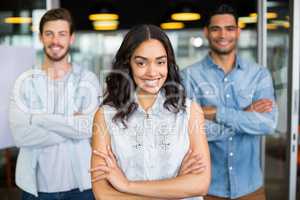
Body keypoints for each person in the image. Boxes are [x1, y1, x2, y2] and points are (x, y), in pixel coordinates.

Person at [91, 24, 211, 200]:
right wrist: (177, 187)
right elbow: (103, 194)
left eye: (160, 62)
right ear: (128, 63)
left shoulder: (190, 112)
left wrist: (126, 185)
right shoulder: (105, 116)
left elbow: (200, 184)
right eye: (141, 63)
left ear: (168, 64)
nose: (152, 72)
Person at [181, 4, 278, 200]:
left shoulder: (258, 75)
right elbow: (190, 131)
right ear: (206, 32)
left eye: (229, 28)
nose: (223, 35)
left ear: (238, 32)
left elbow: (267, 123)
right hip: (207, 190)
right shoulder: (189, 76)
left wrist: (215, 113)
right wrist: (245, 115)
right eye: (216, 29)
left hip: (251, 190)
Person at [9, 8, 99, 199]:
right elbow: (20, 136)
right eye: (49, 34)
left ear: (71, 38)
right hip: (36, 190)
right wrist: (70, 124)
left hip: (80, 187)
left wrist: (37, 119)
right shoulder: (24, 81)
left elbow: (89, 128)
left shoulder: (88, 80)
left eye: (61, 34)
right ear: (41, 37)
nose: (55, 41)